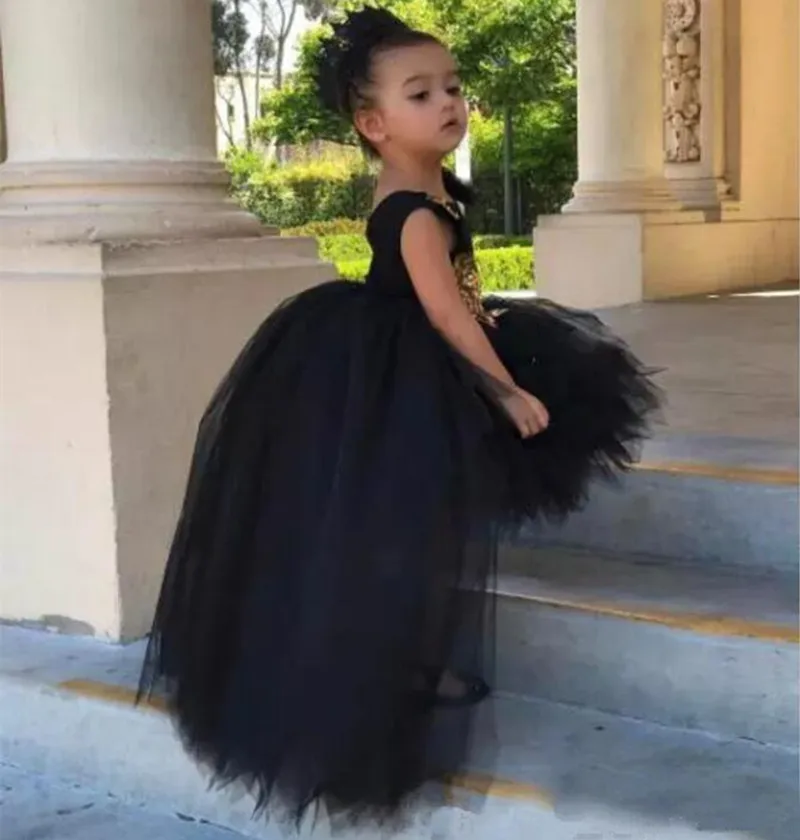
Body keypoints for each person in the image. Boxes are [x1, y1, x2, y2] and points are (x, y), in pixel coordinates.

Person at [138, 6, 660, 830]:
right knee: (402, 535)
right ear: (373, 124)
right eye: (421, 94)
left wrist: (488, 327)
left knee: (420, 530)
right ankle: (381, 669)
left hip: (409, 359)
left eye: (453, 87)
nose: (448, 103)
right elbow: (444, 314)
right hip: (399, 373)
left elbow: (458, 298)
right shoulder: (415, 212)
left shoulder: (432, 192)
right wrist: (505, 389)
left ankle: (408, 656)